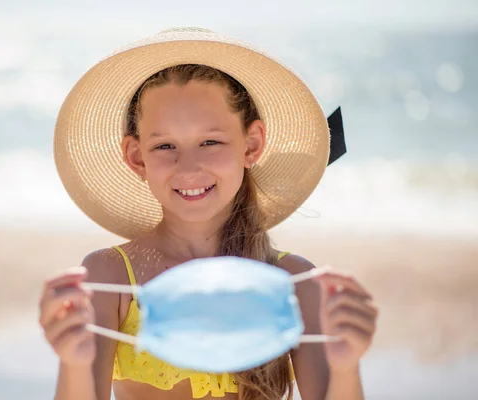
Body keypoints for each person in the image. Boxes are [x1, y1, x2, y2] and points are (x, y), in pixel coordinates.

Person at [38, 27, 379, 400]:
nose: (188, 167)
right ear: (137, 157)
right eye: (165, 145)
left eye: (210, 142)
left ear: (252, 144)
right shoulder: (111, 277)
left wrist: (347, 368)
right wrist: (72, 363)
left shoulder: (294, 282)